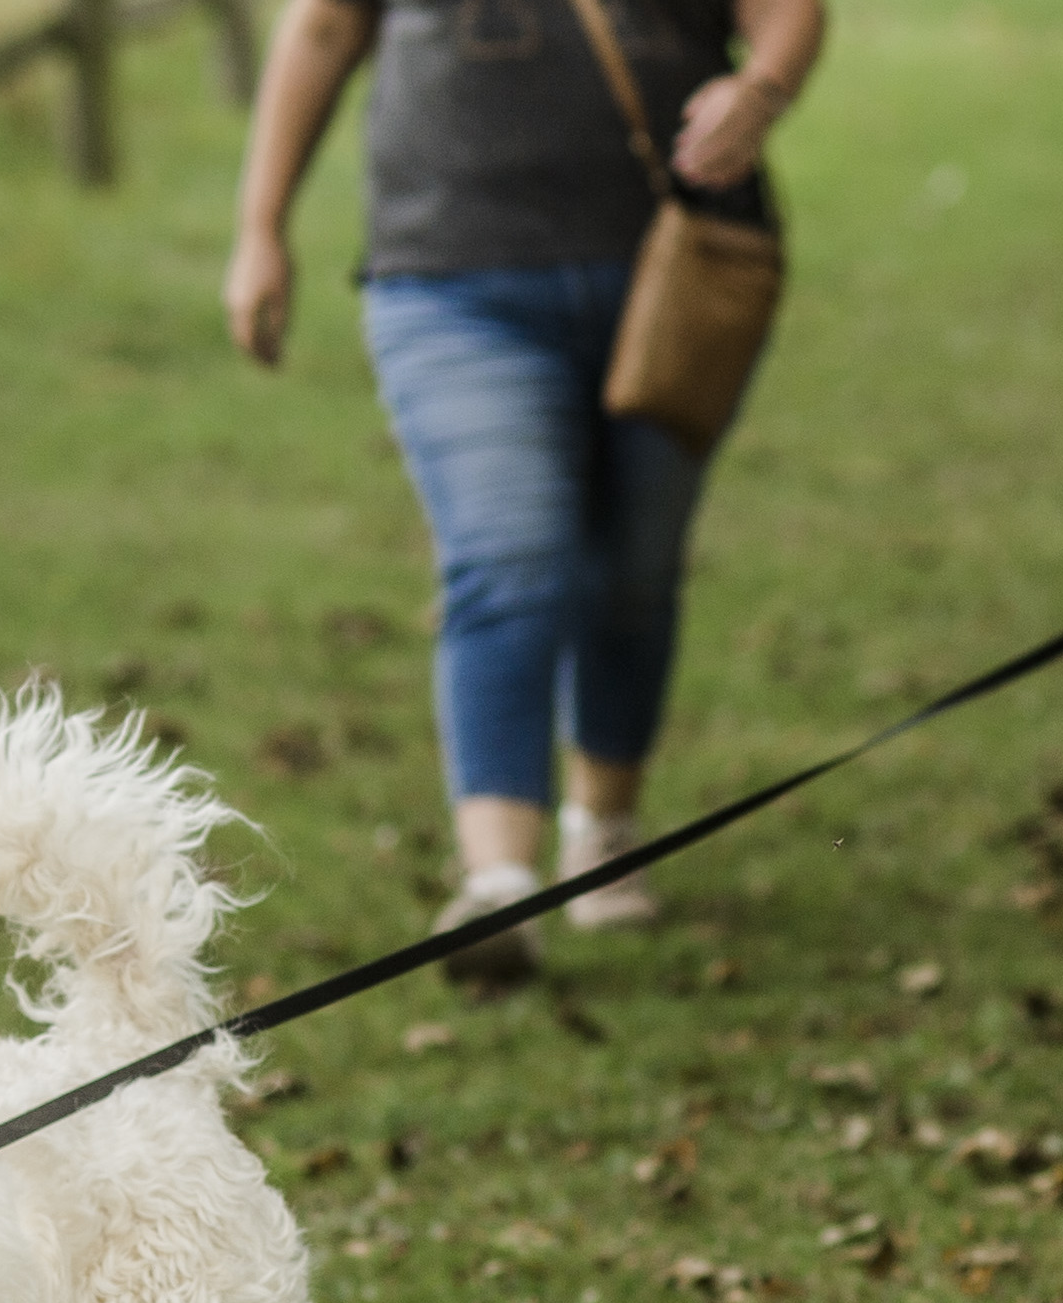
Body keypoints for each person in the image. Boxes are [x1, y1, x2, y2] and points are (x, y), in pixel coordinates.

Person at [227, 0, 828, 988]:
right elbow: (324, 29)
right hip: (450, 281)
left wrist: (758, 92)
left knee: (632, 570)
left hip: (675, 265)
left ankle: (603, 824)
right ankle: (500, 885)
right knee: (505, 556)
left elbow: (787, 14)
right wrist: (259, 229)